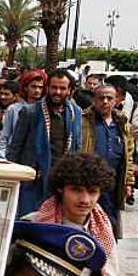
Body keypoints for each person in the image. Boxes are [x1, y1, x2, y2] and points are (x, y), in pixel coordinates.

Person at [8, 69, 82, 215]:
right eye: (54, 87)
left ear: (70, 91)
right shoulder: (31, 112)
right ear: (47, 88)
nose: (58, 92)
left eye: (62, 88)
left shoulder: (76, 113)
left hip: (62, 179)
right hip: (34, 180)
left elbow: (77, 146)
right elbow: (15, 148)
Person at [79, 83, 133, 236]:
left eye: (109, 98)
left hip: (113, 183)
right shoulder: (84, 121)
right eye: (101, 98)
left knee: (110, 221)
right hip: (89, 180)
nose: (105, 101)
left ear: (116, 101)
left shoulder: (122, 123)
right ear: (94, 100)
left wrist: (128, 182)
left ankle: (109, 251)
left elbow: (128, 155)